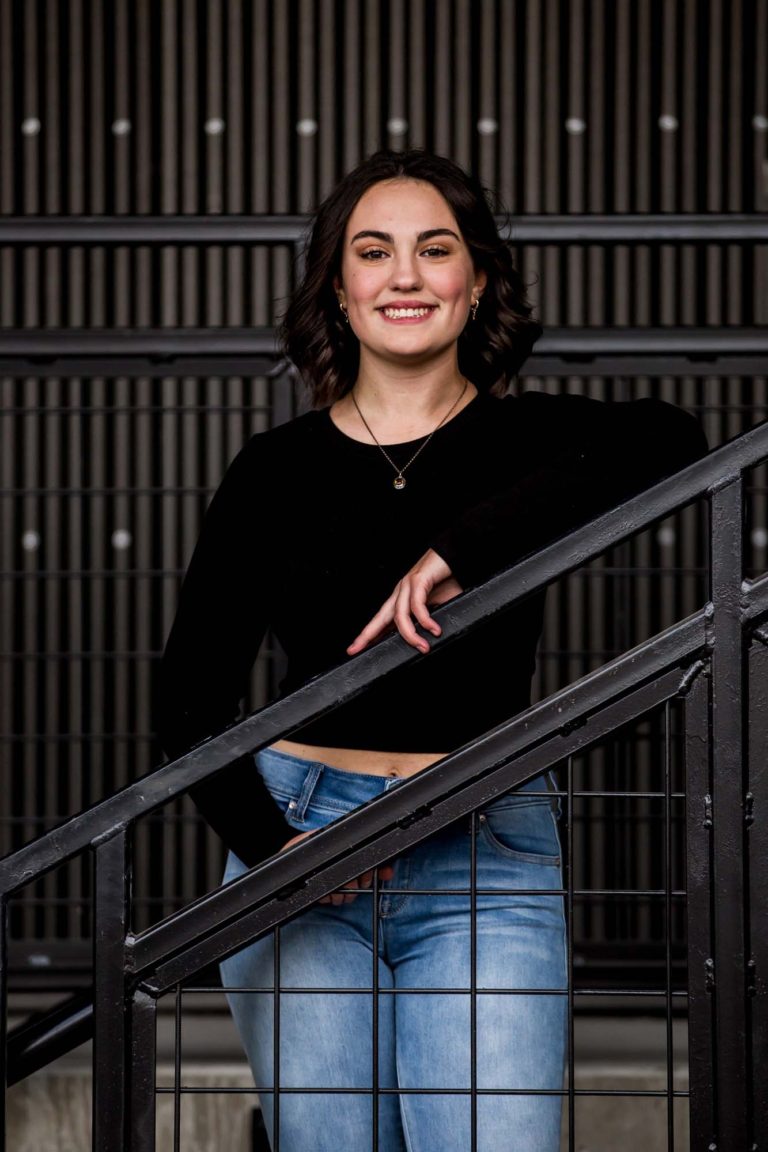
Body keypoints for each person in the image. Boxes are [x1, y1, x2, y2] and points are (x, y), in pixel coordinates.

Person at [156, 148, 708, 1152]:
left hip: (484, 849)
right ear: (340, 285)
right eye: (375, 252)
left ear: (478, 279)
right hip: (301, 838)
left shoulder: (534, 438)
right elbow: (189, 700)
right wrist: (278, 849)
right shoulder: (273, 470)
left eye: (435, 249)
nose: (405, 276)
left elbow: (672, 434)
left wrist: (468, 545)